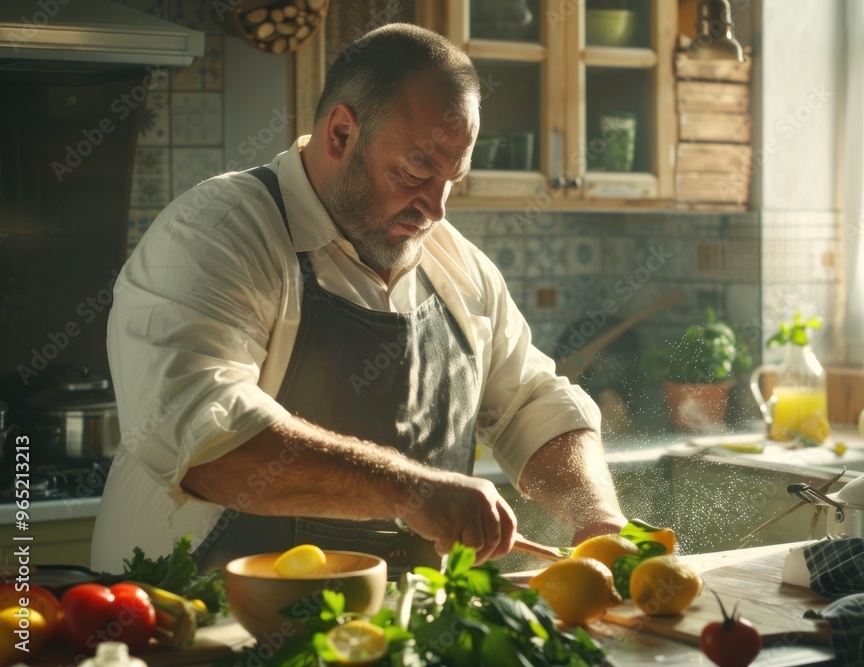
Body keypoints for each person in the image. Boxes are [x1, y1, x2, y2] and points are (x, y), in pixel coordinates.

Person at [91, 23, 626, 575]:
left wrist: (598, 517)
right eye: (416, 169)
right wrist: (411, 490)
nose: (436, 208)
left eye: (452, 178)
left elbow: (532, 404)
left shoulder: (457, 265)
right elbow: (204, 435)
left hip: (392, 637)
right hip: (193, 630)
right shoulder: (216, 234)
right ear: (342, 134)